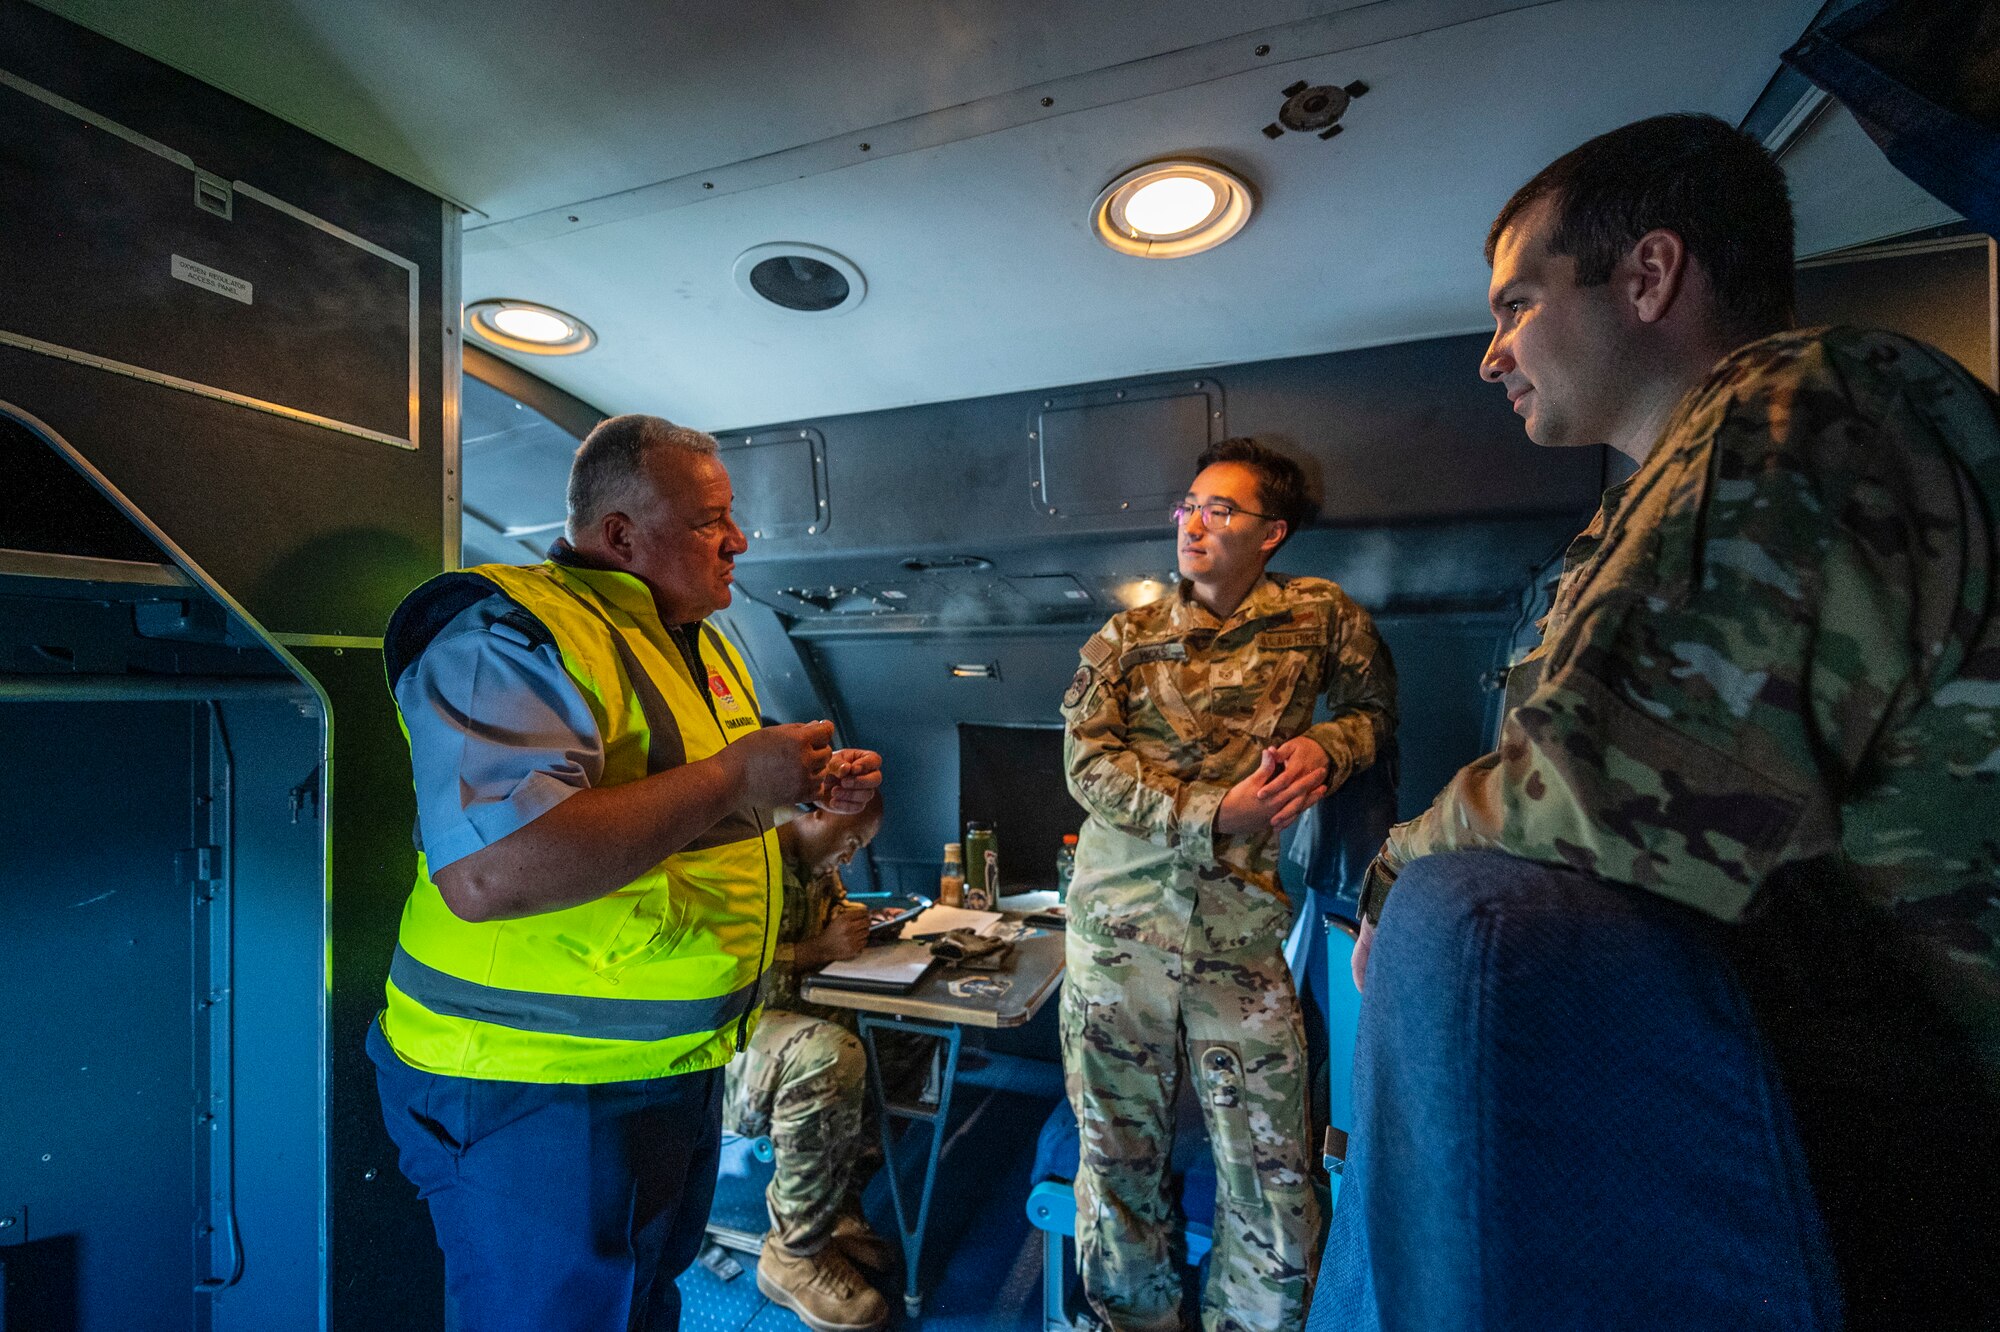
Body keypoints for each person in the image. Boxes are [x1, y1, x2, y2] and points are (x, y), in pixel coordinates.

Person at [1353, 113, 2000, 1322]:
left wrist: (1398, 865)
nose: (1490, 354)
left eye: (1513, 305)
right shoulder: (1653, 500)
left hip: (1920, 1155)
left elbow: (1614, 789)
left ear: (1646, 275)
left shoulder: (1795, 406)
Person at [368, 414, 883, 1332]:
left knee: (638, 1305)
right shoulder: (511, 634)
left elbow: (698, 838)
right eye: (709, 520)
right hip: (532, 1085)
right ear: (619, 535)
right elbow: (491, 873)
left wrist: (805, 812)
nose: (739, 540)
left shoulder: (701, 645)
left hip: (667, 1065)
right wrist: (738, 774)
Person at [1059, 437, 1398, 1332]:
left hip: (1238, 937)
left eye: (1221, 510)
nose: (1195, 524)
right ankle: (1136, 1322)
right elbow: (1087, 767)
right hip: (1118, 930)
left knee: (1273, 1169)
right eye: (1188, 507)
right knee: (1117, 1160)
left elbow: (1373, 715)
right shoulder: (1126, 638)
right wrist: (1215, 815)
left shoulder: (1321, 620)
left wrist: (1329, 745)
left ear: (1272, 533)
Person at [722, 794, 896, 1332]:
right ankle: (792, 1256)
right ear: (815, 812)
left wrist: (849, 923)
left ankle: (837, 1213)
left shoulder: (813, 863)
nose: (849, 859)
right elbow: (723, 970)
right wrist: (818, 949)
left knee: (883, 1036)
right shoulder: (742, 855)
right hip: (724, 1039)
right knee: (829, 1055)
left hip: (778, 1023)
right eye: (849, 843)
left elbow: (826, 922)